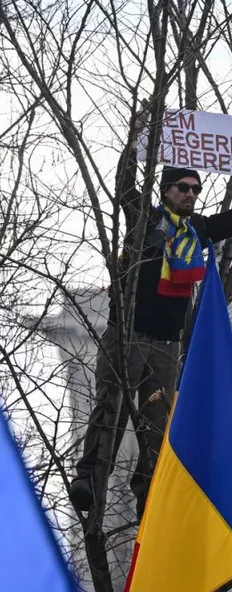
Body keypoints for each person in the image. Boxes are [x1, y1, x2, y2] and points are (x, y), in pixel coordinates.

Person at [69, 108, 232, 518]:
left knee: (159, 426)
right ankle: (89, 478)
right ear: (165, 189)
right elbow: (125, 183)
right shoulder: (146, 217)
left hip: (166, 344)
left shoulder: (199, 232)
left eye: (196, 189)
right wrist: (135, 136)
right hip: (128, 334)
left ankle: (149, 498)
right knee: (110, 407)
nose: (191, 194)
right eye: (182, 187)